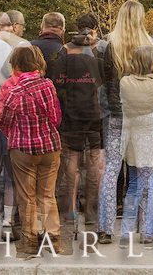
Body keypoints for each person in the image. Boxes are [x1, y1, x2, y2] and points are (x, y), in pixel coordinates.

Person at [0, 45, 66, 258]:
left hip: (23, 148)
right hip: (50, 146)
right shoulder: (48, 86)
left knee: (27, 197)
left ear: (16, 64)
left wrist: (14, 131)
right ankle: (53, 238)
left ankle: (30, 242)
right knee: (47, 194)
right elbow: (56, 118)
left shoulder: (14, 90)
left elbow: (2, 119)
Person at [96, 0, 153, 245]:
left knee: (111, 170)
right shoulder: (149, 45)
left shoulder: (110, 46)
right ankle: (146, 229)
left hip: (117, 115)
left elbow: (104, 83)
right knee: (143, 172)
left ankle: (106, 227)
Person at [118, 45, 153, 248]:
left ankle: (125, 232)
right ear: (151, 63)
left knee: (134, 186)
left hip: (135, 142)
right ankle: (150, 232)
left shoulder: (125, 83)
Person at [50, 29, 102, 245]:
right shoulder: (95, 60)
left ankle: (71, 213)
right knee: (92, 162)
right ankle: (90, 210)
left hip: (70, 116)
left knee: (72, 162)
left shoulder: (64, 59)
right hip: (92, 115)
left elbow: (57, 85)